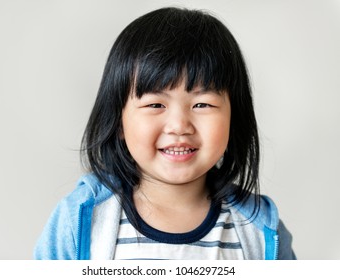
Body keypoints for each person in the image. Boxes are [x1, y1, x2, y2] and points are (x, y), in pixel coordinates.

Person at [34, 7, 295, 260]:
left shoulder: (260, 229)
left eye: (202, 104)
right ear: (118, 122)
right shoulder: (81, 218)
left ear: (234, 118)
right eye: (155, 105)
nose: (179, 126)